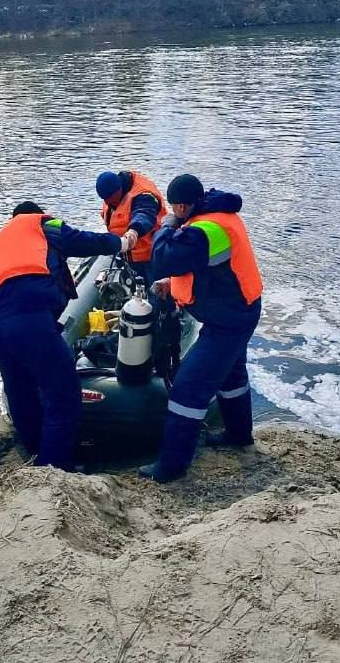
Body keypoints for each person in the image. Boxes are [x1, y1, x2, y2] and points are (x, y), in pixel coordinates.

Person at [0, 200, 131, 471]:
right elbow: (85, 241)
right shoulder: (43, 225)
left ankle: (33, 452)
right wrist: (121, 243)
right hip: (32, 319)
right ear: (37, 215)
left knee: (20, 391)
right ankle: (54, 468)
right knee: (63, 395)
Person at [140, 174, 263, 483]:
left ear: (182, 206)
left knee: (187, 388)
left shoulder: (207, 229)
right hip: (237, 309)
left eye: (174, 207)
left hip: (229, 320)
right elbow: (207, 267)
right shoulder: (216, 217)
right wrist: (173, 284)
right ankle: (239, 435)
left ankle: (171, 466)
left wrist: (166, 226)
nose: (173, 211)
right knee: (232, 376)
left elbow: (164, 257)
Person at [95, 170, 167, 284]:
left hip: (152, 257)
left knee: (156, 295)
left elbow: (144, 214)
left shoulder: (143, 195)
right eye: (104, 199)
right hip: (128, 256)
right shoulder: (109, 197)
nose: (107, 202)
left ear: (118, 190)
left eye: (110, 198)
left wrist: (133, 232)